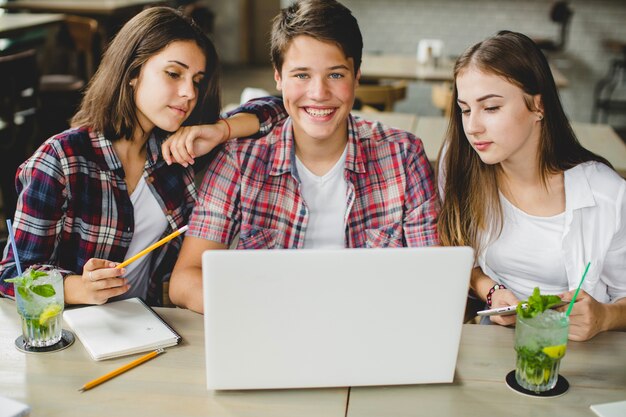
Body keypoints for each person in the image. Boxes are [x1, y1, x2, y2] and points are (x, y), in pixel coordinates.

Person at [167, 0, 439, 313]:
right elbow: (185, 280)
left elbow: (432, 278)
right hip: (267, 330)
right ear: (278, 78)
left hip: (371, 330)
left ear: (357, 76)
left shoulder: (403, 155)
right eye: (301, 75)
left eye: (336, 75)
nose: (319, 93)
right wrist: (261, 310)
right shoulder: (239, 159)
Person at [0, 7, 228, 306]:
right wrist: (76, 287)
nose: (189, 92)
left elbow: (274, 112)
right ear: (133, 72)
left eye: (197, 80)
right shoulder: (61, 160)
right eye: (174, 73)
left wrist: (223, 129)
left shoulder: (177, 156)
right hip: (77, 333)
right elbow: (12, 277)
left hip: (153, 325)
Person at [437, 30, 626, 341]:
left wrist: (604, 317)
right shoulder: (458, 163)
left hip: (581, 352)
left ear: (538, 106)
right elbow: (453, 250)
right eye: (466, 109)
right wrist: (491, 290)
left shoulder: (607, 193)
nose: (472, 127)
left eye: (491, 107)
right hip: (493, 344)